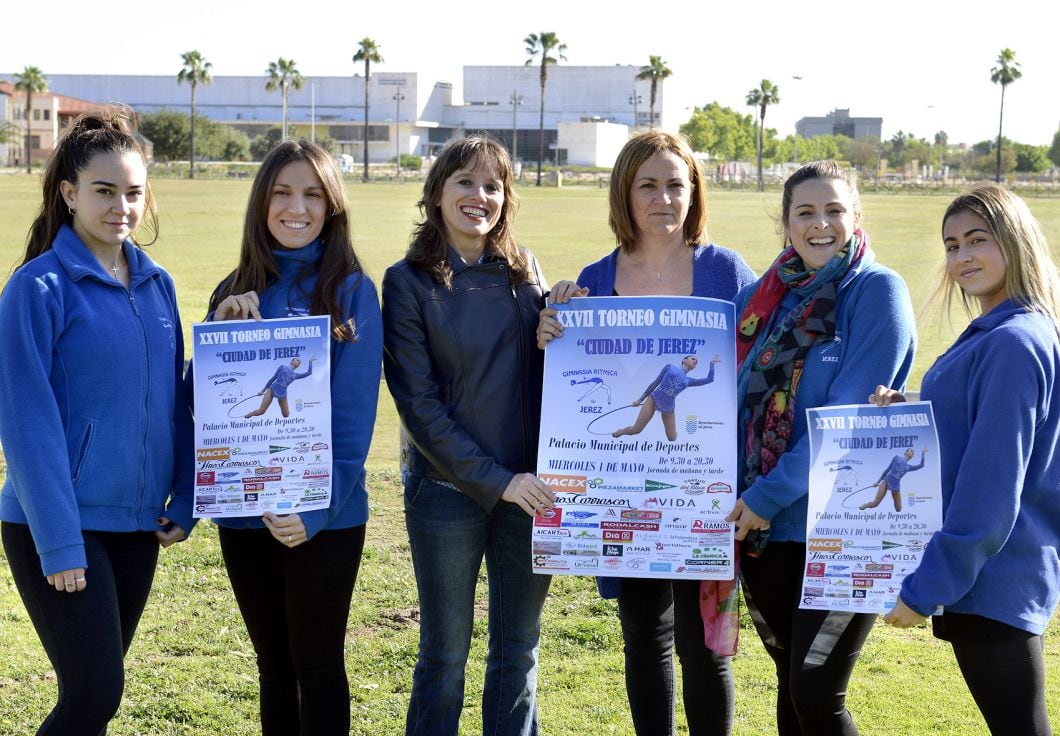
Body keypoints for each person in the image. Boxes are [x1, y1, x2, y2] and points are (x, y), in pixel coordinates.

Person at [538, 130, 755, 736]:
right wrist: (551, 333)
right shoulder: (593, 278)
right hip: (621, 500)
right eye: (648, 186)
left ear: (695, 193)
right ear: (624, 195)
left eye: (676, 185)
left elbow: (766, 361)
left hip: (705, 495)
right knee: (646, 640)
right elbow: (570, 377)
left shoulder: (728, 272)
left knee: (705, 646)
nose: (663, 199)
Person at [0, 106, 194, 734]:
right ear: (69, 192)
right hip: (58, 528)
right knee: (94, 693)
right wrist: (57, 541)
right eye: (104, 191)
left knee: (93, 696)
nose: (121, 207)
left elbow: (177, 401)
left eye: (133, 193)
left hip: (137, 528)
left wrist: (186, 497)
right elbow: (27, 423)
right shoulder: (36, 288)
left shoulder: (159, 285)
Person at [874, 183, 1060, 736]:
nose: (962, 257)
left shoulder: (1012, 340)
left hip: (992, 577)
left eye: (978, 241)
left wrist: (924, 590)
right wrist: (911, 404)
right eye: (952, 245)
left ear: (1014, 242)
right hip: (989, 576)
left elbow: (990, 494)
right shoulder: (1004, 327)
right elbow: (975, 414)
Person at [724, 160, 915, 736]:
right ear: (786, 222)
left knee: (816, 691)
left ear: (856, 215)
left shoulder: (876, 291)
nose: (821, 224)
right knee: (791, 683)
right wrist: (569, 316)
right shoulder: (761, 297)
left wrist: (766, 493)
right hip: (763, 532)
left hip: (843, 530)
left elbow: (849, 422)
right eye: (805, 212)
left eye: (834, 209)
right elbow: (708, 386)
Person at [202, 139, 382, 735]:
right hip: (245, 515)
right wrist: (219, 326)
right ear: (262, 202)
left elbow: (354, 417)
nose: (296, 207)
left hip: (322, 518)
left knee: (319, 664)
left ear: (331, 206)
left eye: (312, 194)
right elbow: (207, 407)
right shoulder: (234, 286)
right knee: (273, 667)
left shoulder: (352, 290)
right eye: (282, 192)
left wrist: (319, 509)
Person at [381, 135, 554, 736]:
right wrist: (496, 481)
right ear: (435, 194)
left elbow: (556, 380)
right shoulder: (406, 282)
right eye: (464, 182)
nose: (478, 196)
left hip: (532, 492)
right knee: (444, 654)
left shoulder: (525, 272)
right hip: (447, 493)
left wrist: (562, 325)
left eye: (492, 186)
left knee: (518, 649)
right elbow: (419, 408)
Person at [613, 354, 721, 440]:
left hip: (668, 408)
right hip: (653, 400)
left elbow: (709, 380)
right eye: (693, 358)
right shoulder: (670, 367)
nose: (695, 361)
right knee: (636, 430)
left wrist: (712, 364)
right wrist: (640, 399)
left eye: (696, 362)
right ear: (684, 360)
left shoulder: (688, 381)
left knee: (672, 438)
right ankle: (621, 431)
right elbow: (655, 383)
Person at [859, 445, 927, 511]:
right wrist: (878, 482)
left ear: (912, 457)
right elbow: (887, 469)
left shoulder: (909, 467)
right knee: (875, 503)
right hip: (886, 481)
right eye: (911, 451)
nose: (912, 453)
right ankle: (865, 505)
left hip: (896, 486)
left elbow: (921, 465)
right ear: (906, 452)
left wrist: (923, 453)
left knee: (898, 509)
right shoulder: (897, 458)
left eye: (913, 453)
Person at [244, 355, 316, 418]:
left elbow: (309, 373)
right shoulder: (282, 367)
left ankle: (283, 407)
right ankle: (251, 413)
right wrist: (262, 391)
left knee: (286, 415)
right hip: (272, 389)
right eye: (297, 360)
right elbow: (272, 378)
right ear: (292, 361)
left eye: (300, 362)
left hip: (282, 394)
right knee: (261, 412)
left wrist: (310, 362)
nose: (299, 362)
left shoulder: (295, 375)